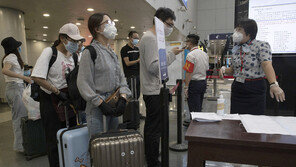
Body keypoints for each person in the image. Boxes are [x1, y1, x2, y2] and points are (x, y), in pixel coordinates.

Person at [31, 23, 85, 167]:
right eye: (73, 41)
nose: (76, 44)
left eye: (77, 41)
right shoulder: (50, 52)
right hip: (51, 100)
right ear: (62, 38)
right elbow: (36, 77)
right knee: (54, 140)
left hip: (68, 100)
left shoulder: (74, 56)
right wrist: (57, 92)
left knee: (70, 136)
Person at [139, 7, 183, 167]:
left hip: (156, 89)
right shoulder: (150, 38)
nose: (170, 28)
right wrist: (172, 55)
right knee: (153, 128)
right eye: (169, 24)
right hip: (152, 90)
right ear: (159, 21)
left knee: (155, 126)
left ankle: (152, 155)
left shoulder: (155, 38)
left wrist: (170, 53)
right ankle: (152, 160)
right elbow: (153, 67)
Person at [77, 13, 131, 137]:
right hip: (97, 107)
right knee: (99, 146)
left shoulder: (112, 52)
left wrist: (123, 97)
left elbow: (121, 78)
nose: (112, 25)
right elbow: (83, 83)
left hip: (114, 103)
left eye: (112, 23)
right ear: (97, 29)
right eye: (107, 23)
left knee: (112, 143)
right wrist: (100, 103)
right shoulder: (90, 52)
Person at [220, 19, 285, 115]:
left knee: (254, 119)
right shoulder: (237, 48)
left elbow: (266, 64)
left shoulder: (261, 45)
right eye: (236, 29)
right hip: (238, 87)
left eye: (239, 30)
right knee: (236, 118)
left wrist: (273, 84)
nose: (235, 33)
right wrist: (224, 69)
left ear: (249, 33)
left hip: (255, 87)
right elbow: (234, 70)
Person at [1, 37, 32, 152]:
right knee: (19, 118)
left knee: (18, 116)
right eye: (18, 46)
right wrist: (23, 77)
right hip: (15, 88)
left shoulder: (9, 57)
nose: (20, 48)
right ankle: (20, 145)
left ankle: (21, 144)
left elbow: (13, 71)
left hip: (13, 88)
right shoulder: (11, 57)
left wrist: (26, 74)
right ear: (14, 47)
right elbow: (5, 70)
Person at [183, 34, 209, 114]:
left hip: (194, 84)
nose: (185, 44)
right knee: (199, 106)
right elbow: (207, 69)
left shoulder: (190, 55)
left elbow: (188, 72)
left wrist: (186, 87)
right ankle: (197, 123)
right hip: (203, 83)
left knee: (193, 109)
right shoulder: (205, 54)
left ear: (190, 43)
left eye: (186, 42)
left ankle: (194, 124)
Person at [120, 31, 140, 99]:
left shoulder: (137, 49)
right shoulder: (124, 49)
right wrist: (137, 60)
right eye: (135, 38)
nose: (137, 40)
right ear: (130, 38)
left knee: (137, 94)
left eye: (138, 38)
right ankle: (131, 109)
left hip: (138, 74)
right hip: (130, 75)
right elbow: (127, 63)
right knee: (132, 95)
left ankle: (136, 108)